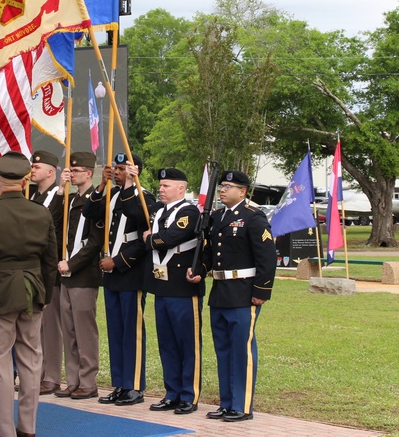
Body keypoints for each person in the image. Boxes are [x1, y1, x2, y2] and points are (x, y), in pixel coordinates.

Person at [0, 152, 58, 437]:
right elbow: (50, 260)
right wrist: (46, 295)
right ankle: (27, 428)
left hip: (0, 293)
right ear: (26, 180)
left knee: (1, 364)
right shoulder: (41, 212)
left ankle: (4, 430)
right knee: (31, 363)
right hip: (33, 293)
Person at [189, 170, 276, 422]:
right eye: (222, 186)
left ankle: (242, 405)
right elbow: (210, 253)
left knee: (241, 349)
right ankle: (227, 403)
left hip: (243, 291)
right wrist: (200, 269)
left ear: (243, 191)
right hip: (220, 291)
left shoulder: (253, 217)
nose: (223, 190)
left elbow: (267, 258)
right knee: (223, 350)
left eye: (228, 186)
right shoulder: (216, 217)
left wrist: (261, 291)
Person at [84, 153, 154, 407]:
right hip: (111, 272)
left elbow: (143, 235)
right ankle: (120, 384)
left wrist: (119, 261)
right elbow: (90, 212)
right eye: (115, 168)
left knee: (131, 332)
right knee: (115, 332)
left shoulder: (145, 198)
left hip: (130, 271)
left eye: (122, 169)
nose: (117, 172)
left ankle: (134, 386)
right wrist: (102, 185)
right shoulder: (112, 194)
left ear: (135, 171)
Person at [144, 167, 204, 415]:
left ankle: (189, 395)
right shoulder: (158, 211)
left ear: (181, 188)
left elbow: (170, 238)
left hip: (182, 284)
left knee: (186, 343)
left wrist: (148, 238)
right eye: (161, 185)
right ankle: (172, 392)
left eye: (167, 185)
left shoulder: (188, 211)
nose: (161, 188)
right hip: (162, 283)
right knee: (167, 342)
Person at [55, 151, 104, 400]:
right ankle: (72, 379)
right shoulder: (71, 199)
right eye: (70, 171)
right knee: (69, 330)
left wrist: (71, 264)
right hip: (66, 273)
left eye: (76, 171)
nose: (71, 174)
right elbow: (55, 224)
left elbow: (94, 243)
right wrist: (61, 192)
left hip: (83, 274)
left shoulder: (97, 201)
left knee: (85, 331)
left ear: (88, 172)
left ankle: (88, 380)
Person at [28, 149, 64, 396]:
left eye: (37, 167)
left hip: (49, 269)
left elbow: (47, 221)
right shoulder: (31, 195)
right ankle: (37, 374)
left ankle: (51, 376)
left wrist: (61, 192)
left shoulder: (59, 196)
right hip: (31, 268)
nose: (32, 169)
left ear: (51, 171)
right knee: (34, 327)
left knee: (50, 327)